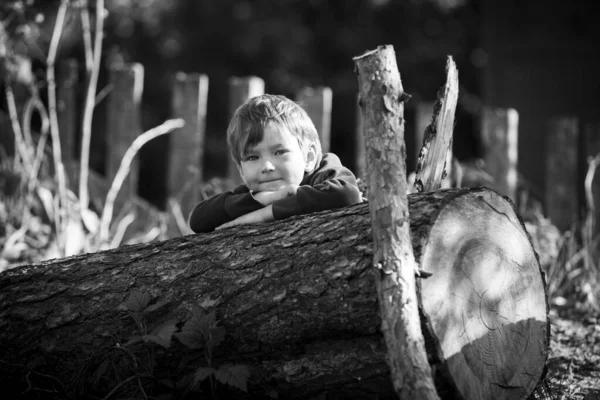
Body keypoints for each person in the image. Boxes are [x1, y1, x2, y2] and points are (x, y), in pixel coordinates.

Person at [188, 94, 362, 233]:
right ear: (241, 170)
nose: (266, 167)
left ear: (308, 157)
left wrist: (265, 214)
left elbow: (346, 195)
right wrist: (265, 200)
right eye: (252, 157)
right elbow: (198, 220)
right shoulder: (257, 193)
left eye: (279, 152)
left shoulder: (325, 172)